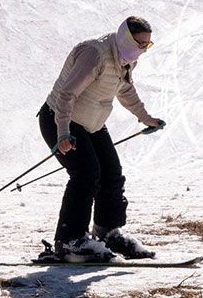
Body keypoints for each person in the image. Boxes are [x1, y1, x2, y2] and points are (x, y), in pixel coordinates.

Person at [39, 16, 167, 263]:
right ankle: (70, 240)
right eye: (140, 43)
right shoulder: (94, 54)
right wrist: (63, 132)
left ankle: (107, 233)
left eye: (147, 45)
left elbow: (125, 89)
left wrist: (146, 118)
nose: (142, 50)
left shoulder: (126, 58)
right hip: (60, 118)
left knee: (111, 173)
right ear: (126, 38)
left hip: (92, 122)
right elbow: (66, 94)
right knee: (86, 174)